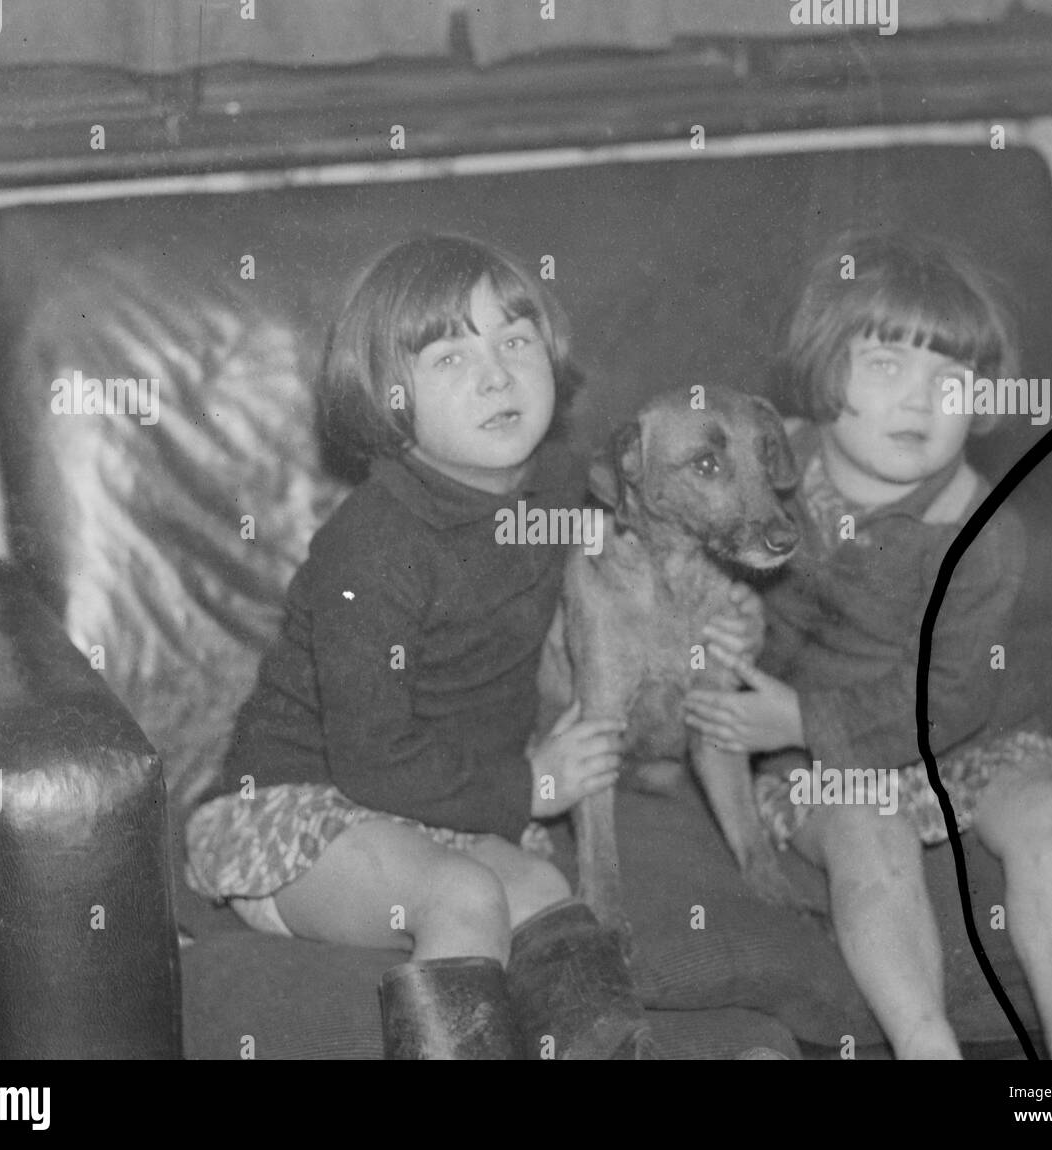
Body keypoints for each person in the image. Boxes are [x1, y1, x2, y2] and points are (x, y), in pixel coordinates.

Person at [184, 232, 758, 1059]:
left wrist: (725, 617)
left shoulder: (560, 487)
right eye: (450, 358)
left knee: (542, 889)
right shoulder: (371, 549)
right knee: (463, 895)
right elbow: (370, 762)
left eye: (516, 341)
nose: (496, 374)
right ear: (389, 399)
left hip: (444, 805)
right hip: (303, 802)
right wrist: (532, 784)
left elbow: (664, 546)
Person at [683, 230, 1052, 1060]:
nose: (921, 403)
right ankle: (927, 1048)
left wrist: (801, 717)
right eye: (885, 366)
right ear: (823, 369)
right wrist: (728, 618)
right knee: (866, 827)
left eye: (952, 381)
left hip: (955, 731)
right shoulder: (767, 466)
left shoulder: (983, 532)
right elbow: (699, 566)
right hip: (814, 760)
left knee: (1050, 811)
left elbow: (953, 698)